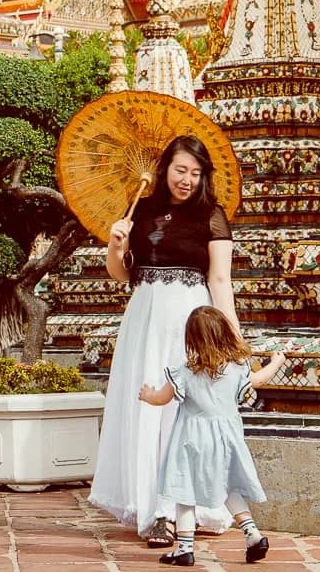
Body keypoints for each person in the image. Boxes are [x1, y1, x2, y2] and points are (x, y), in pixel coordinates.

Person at [88, 135, 243, 547]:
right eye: (180, 170)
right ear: (164, 169)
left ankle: (185, 505)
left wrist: (232, 337)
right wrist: (116, 245)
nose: (187, 180)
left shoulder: (212, 215)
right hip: (144, 317)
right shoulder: (141, 210)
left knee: (184, 410)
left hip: (191, 319)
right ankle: (156, 510)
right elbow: (122, 275)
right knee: (147, 408)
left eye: (195, 173)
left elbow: (220, 280)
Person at [139, 306, 285, 566]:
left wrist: (148, 395)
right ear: (225, 334)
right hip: (226, 440)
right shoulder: (236, 370)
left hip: (191, 442)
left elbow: (162, 398)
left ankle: (184, 548)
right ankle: (252, 534)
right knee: (228, 487)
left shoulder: (185, 371)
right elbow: (259, 380)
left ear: (191, 339)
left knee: (185, 492)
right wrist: (277, 362)